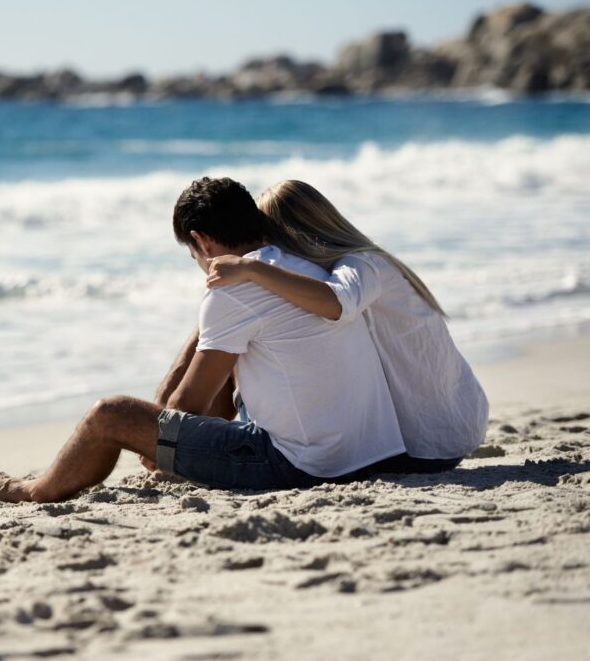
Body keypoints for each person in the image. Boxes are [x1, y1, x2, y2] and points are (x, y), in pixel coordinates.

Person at [0, 177, 406, 503]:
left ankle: (30, 491)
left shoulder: (237, 292)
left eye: (192, 254)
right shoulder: (305, 264)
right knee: (236, 360)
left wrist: (154, 445)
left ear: (200, 240)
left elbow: (186, 408)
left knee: (110, 414)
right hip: (371, 452)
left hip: (307, 466)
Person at [206, 179, 488, 470]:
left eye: (269, 238)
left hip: (429, 442)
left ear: (291, 232)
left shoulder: (363, 264)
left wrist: (252, 269)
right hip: (441, 429)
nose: (268, 249)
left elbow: (337, 304)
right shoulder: (357, 265)